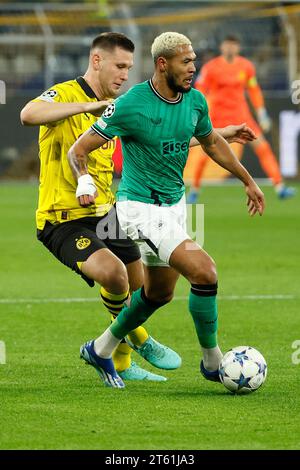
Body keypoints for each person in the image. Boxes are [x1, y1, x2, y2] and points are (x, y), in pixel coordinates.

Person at [68, 32, 265, 389]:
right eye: (185, 62)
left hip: (173, 205)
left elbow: (211, 143)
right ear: (163, 64)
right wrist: (84, 182)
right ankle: (213, 362)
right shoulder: (131, 104)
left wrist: (247, 180)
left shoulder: (195, 102)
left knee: (159, 294)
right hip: (138, 207)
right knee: (205, 271)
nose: (193, 68)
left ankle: (101, 348)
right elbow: (78, 149)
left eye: (193, 60)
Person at [20, 32, 183, 383]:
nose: (125, 75)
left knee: (140, 286)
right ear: (97, 61)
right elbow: (28, 113)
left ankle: (121, 361)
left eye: (129, 68)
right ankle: (140, 338)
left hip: (105, 214)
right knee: (114, 274)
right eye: (120, 66)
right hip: (61, 219)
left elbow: (154, 137)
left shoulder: (117, 106)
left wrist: (218, 134)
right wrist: (86, 107)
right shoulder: (65, 95)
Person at [187, 34, 295, 203]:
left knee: (263, 147)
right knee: (204, 154)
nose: (230, 48)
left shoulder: (246, 67)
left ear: (238, 48)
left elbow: (253, 90)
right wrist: (197, 114)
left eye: (233, 45)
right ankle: (194, 189)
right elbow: (200, 91)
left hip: (242, 117)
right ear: (222, 47)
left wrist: (261, 113)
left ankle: (279, 186)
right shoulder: (211, 68)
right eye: (227, 45)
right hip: (218, 117)